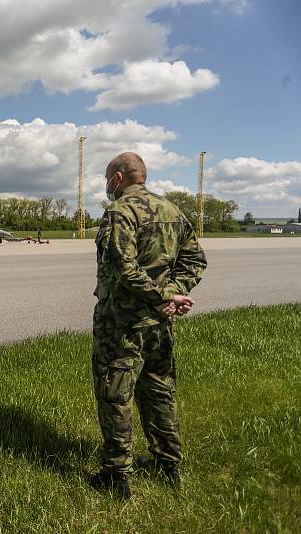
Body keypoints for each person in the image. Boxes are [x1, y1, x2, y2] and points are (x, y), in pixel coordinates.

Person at [88, 152, 207, 500]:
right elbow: (195, 259)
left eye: (108, 177)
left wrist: (159, 297)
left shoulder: (119, 211)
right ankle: (168, 464)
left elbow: (122, 266)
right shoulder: (172, 210)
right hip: (160, 323)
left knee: (114, 394)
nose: (108, 185)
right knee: (159, 390)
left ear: (119, 178)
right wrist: (172, 294)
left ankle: (116, 475)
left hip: (121, 323)